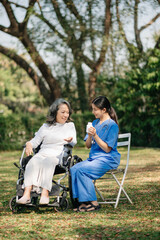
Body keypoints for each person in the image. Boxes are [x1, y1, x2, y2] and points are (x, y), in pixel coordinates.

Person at [17, 98, 77, 205]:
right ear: (55, 112)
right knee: (33, 162)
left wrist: (70, 140)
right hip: (43, 153)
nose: (66, 115)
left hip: (58, 154)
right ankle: (26, 195)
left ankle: (45, 194)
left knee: (48, 162)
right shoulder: (45, 127)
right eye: (63, 112)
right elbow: (35, 141)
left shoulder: (69, 126)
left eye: (67, 112)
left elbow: (74, 141)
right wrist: (29, 144)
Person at [70, 96, 120, 212]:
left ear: (104, 110)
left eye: (95, 109)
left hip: (107, 159)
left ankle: (93, 203)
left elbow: (107, 149)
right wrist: (90, 135)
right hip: (94, 159)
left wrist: (96, 136)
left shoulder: (112, 126)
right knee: (74, 169)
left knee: (83, 170)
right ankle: (83, 201)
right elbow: (88, 145)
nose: (93, 112)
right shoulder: (94, 123)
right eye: (92, 109)